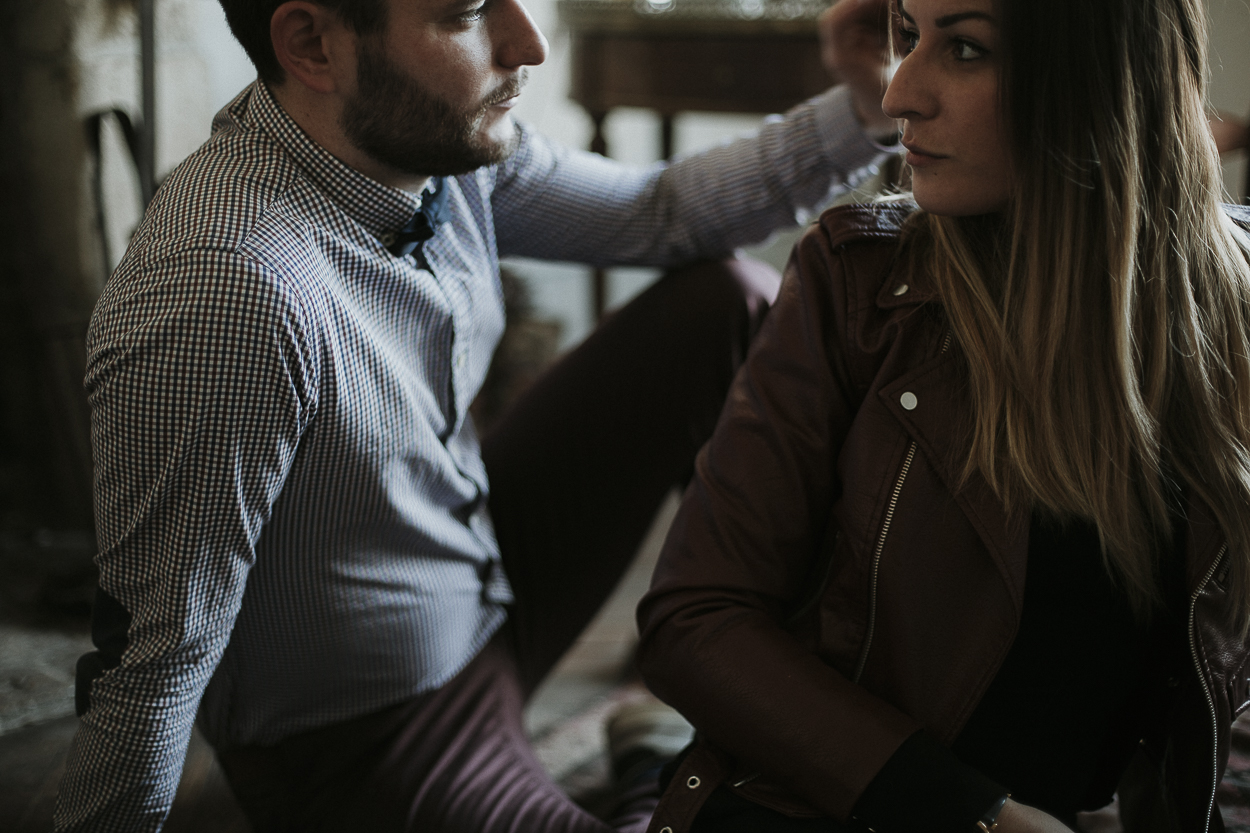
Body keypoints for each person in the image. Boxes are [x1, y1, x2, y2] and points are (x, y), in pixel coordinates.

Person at [50, 0, 905, 829]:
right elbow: (150, 663)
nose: (528, 44)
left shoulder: (431, 148)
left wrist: (865, 106)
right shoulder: (225, 290)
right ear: (311, 43)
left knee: (729, 301)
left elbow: (660, 212)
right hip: (373, 733)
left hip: (477, 568)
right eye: (467, 13)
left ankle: (784, 683)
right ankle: (659, 753)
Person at [636, 0, 1250, 830]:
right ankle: (637, 758)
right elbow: (696, 617)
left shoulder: (1234, 310)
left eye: (964, 49)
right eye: (907, 36)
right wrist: (978, 816)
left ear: (1105, 81)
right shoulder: (859, 283)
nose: (898, 94)